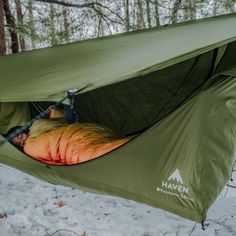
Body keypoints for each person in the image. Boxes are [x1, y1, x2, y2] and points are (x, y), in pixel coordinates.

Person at [6, 108, 130, 165]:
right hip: (79, 136)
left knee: (105, 150)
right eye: (16, 139)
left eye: (17, 134)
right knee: (107, 148)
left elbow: (62, 121)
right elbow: (51, 162)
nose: (19, 137)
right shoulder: (31, 143)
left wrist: (52, 112)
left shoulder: (35, 130)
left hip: (76, 135)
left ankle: (134, 145)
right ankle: (134, 144)